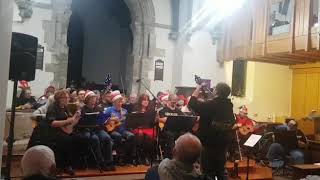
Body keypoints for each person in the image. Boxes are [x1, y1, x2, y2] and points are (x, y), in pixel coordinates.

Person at [188, 82, 234, 180]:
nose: (213, 89)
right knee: (221, 171)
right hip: (223, 144)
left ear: (216, 91)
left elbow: (191, 103)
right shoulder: (228, 105)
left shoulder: (211, 104)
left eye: (214, 88)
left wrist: (198, 88)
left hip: (209, 144)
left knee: (207, 173)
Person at [46, 89, 86, 175]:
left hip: (65, 130)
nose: (68, 99)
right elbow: (52, 123)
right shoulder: (52, 107)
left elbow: (71, 122)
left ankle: (76, 163)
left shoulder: (65, 107)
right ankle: (64, 165)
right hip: (54, 132)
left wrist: (77, 117)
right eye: (66, 98)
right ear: (60, 99)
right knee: (67, 140)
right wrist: (67, 121)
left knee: (81, 138)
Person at [78, 91, 115, 171]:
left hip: (98, 129)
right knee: (95, 139)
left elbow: (103, 121)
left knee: (107, 138)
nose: (93, 100)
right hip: (87, 130)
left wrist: (106, 120)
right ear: (87, 99)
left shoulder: (98, 108)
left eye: (94, 98)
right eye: (91, 98)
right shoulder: (83, 109)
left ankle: (109, 162)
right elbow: (80, 123)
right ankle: (100, 162)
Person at [97, 90, 136, 164]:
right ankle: (116, 156)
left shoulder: (124, 111)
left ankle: (124, 157)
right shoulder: (108, 110)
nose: (120, 103)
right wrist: (112, 119)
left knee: (131, 136)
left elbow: (127, 122)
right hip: (112, 130)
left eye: (121, 102)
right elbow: (102, 119)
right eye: (119, 101)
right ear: (114, 102)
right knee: (117, 136)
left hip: (122, 130)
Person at [131, 93, 156, 165]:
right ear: (140, 101)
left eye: (147, 100)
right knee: (140, 136)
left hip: (148, 128)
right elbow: (133, 122)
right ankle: (137, 156)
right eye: (144, 100)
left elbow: (152, 123)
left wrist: (155, 119)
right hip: (138, 128)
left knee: (149, 138)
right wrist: (140, 128)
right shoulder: (135, 109)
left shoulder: (150, 110)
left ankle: (145, 157)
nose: (146, 101)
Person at [158, 94, 184, 158]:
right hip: (166, 130)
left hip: (176, 130)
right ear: (168, 101)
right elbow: (161, 120)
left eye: (175, 102)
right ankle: (173, 155)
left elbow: (183, 118)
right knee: (170, 135)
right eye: (173, 102)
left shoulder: (178, 111)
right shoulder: (163, 111)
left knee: (184, 134)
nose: (174, 103)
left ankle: (183, 154)